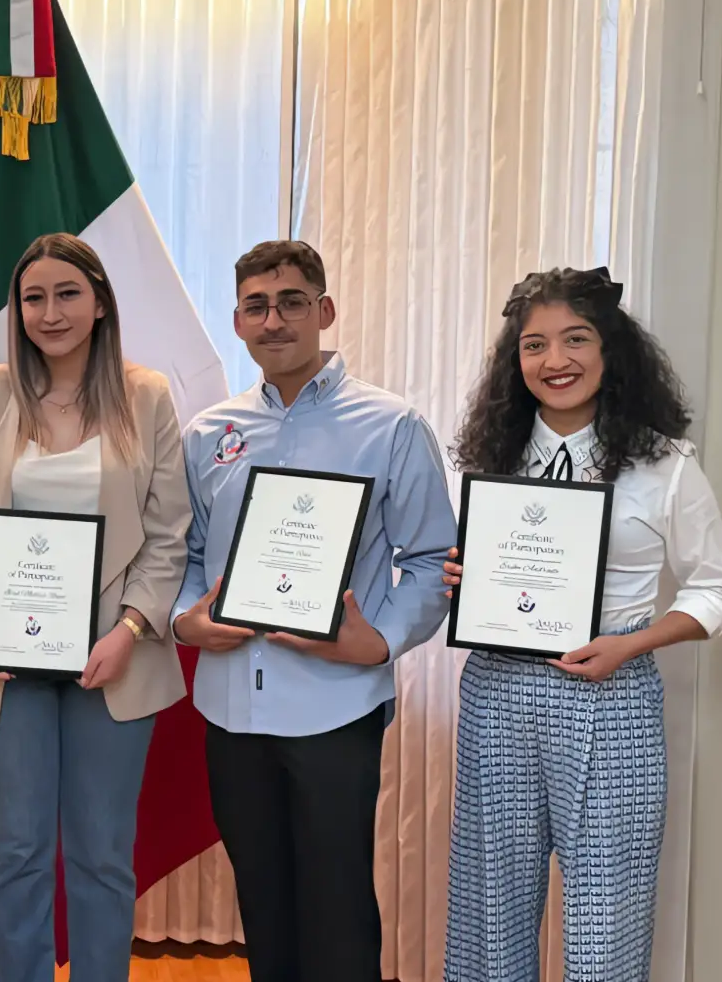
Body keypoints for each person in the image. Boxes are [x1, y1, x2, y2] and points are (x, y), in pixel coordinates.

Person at [440, 267, 722, 982]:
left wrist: (631, 644)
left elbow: (718, 592)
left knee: (608, 919)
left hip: (613, 697)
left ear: (610, 351)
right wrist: (463, 576)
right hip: (497, 693)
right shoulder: (497, 460)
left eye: (575, 339)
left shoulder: (665, 464)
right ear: (516, 363)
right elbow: (488, 578)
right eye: (534, 345)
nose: (555, 361)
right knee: (490, 909)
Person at [172, 240, 457, 982]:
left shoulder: (391, 426)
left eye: (292, 301)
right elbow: (188, 557)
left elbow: (431, 560)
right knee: (262, 909)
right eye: (257, 306)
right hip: (231, 707)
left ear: (324, 311)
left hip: (337, 706)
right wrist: (186, 621)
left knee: (336, 911)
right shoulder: (209, 433)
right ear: (237, 322)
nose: (275, 320)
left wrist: (381, 641)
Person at [0, 233, 190, 982]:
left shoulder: (147, 396)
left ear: (101, 303)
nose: (50, 312)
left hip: (116, 659)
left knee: (103, 853)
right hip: (3, 664)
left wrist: (132, 629)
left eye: (68, 294)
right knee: (16, 852)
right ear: (17, 310)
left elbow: (169, 534)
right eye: (34, 297)